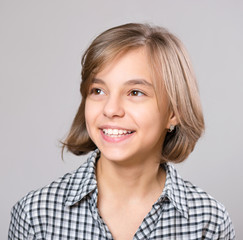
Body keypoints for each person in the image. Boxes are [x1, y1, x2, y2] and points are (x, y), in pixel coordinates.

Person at [8, 23, 235, 239]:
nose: (111, 109)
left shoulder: (209, 222)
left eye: (135, 92)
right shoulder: (35, 216)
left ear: (173, 113)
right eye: (98, 90)